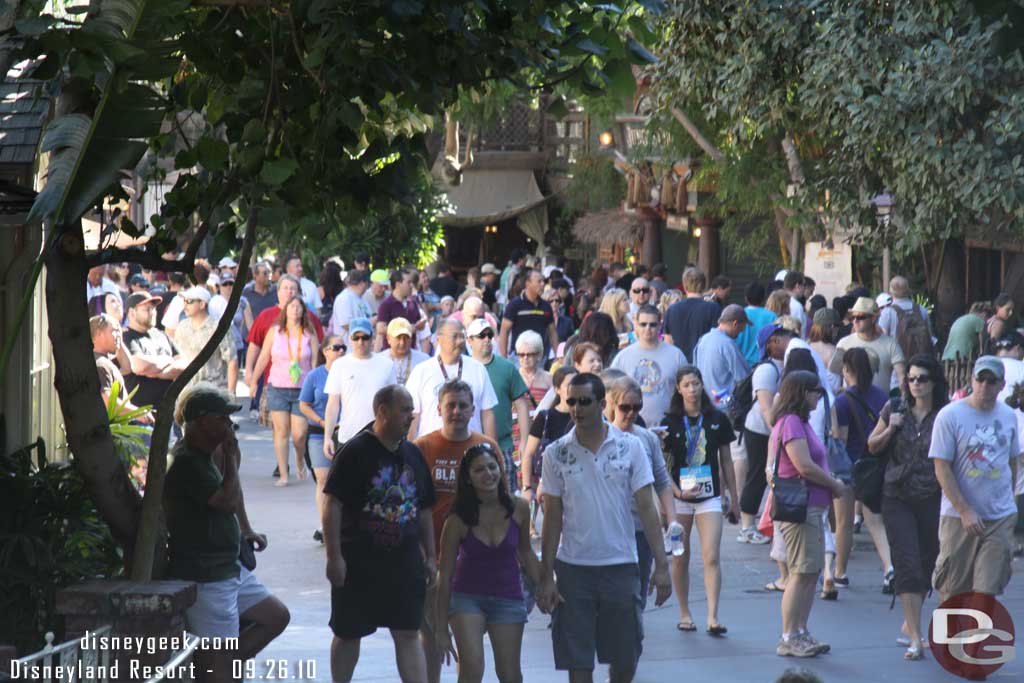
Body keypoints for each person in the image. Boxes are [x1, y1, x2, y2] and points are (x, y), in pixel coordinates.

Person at [536, 373, 671, 682]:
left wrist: (662, 565)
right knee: (578, 661)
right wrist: (546, 576)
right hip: (573, 569)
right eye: (571, 401)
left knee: (625, 658)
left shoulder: (631, 446)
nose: (576, 408)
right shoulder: (556, 453)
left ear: (601, 403)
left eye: (584, 401)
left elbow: (649, 509)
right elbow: (552, 519)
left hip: (621, 566)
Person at [164, 385, 289, 682]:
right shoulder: (187, 461)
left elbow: (233, 496)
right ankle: (216, 669)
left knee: (275, 616)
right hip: (208, 575)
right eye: (222, 419)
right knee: (221, 668)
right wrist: (231, 458)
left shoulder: (206, 456)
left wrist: (246, 530)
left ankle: (218, 666)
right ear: (201, 421)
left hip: (228, 566)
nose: (228, 425)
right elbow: (226, 499)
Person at [322, 385, 437, 683]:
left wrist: (431, 556)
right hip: (359, 563)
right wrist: (334, 557)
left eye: (412, 410)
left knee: (408, 633)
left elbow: (424, 509)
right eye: (404, 409)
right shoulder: (355, 451)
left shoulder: (413, 453)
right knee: (348, 633)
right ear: (382, 411)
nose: (410, 416)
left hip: (405, 564)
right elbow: (332, 504)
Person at [414, 380, 503, 683]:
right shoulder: (421, 448)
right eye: (450, 405)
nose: (456, 411)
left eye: (463, 405)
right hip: (431, 559)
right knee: (431, 640)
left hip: (474, 565)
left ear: (472, 409)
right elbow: (409, 507)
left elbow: (504, 504)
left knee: (469, 646)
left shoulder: (486, 447)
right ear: (438, 409)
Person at [434, 442, 541, 683]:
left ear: (501, 471)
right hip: (467, 598)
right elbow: (446, 575)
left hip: (508, 597)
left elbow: (526, 554)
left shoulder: (519, 508)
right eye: (479, 470)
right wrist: (441, 628)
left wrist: (546, 585)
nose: (488, 474)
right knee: (472, 669)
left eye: (492, 467)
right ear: (468, 478)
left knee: (510, 674)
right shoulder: (457, 519)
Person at [866, 354, 946, 661]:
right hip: (896, 495)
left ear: (933, 382)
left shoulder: (945, 414)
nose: (915, 384)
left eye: (922, 379)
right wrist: (890, 429)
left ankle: (910, 619)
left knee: (929, 563)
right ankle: (915, 637)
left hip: (933, 496)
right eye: (911, 379)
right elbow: (872, 445)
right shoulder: (895, 407)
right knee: (908, 563)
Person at [929, 356, 1020, 602]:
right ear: (972, 380)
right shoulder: (950, 416)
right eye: (980, 379)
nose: (985, 386)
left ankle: (974, 641)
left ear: (1002, 385)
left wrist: (1008, 502)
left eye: (991, 381)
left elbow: (1011, 462)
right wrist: (965, 510)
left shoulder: (1009, 416)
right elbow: (941, 467)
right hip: (958, 517)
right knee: (952, 590)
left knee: (986, 591)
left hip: (998, 517)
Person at [770, 371, 847, 658]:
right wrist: (834, 484)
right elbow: (803, 465)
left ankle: (801, 631)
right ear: (801, 392)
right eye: (816, 391)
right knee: (800, 572)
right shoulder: (790, 422)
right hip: (800, 508)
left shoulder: (799, 422)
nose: (819, 397)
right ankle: (789, 635)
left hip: (812, 505)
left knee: (809, 571)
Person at [660, 366, 738, 633]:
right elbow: (661, 465)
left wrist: (733, 499)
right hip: (679, 497)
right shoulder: (669, 422)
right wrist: (674, 494)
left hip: (709, 496)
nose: (692, 389)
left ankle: (713, 616)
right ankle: (684, 613)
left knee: (711, 556)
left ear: (702, 385)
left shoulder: (717, 418)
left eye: (696, 383)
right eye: (687, 385)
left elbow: (726, 460)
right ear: (678, 389)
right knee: (680, 556)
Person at [605, 377, 675, 602]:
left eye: (637, 407)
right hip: (609, 529)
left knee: (637, 596)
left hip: (641, 529)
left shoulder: (646, 438)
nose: (631, 413)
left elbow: (662, 482)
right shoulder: (601, 437)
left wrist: (672, 521)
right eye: (625, 407)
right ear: (612, 404)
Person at [834, 347, 893, 592]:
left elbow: (841, 439)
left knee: (843, 523)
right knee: (876, 521)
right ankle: (890, 567)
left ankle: (840, 572)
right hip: (876, 465)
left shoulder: (841, 401)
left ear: (847, 370)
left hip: (851, 467)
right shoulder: (882, 396)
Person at [251, 295, 320, 486]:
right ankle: (283, 473)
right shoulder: (275, 332)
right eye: (292, 307)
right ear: (285, 310)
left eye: (299, 307)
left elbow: (315, 362)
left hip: (302, 389)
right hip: (277, 387)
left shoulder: (309, 333)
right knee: (281, 432)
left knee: (299, 434)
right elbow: (264, 356)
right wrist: (254, 380)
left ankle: (299, 457)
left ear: (303, 311)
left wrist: (317, 387)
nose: (295, 310)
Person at [739, 323, 795, 543]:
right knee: (757, 476)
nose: (788, 339)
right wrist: (777, 435)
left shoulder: (782, 366)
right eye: (782, 336)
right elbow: (765, 407)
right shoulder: (766, 370)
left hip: (771, 430)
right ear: (772, 343)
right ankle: (746, 527)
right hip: (760, 430)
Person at [407, 319, 499, 441]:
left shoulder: (478, 369)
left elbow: (487, 413)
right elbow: (413, 416)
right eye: (455, 337)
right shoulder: (421, 371)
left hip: (471, 452)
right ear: (439, 339)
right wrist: (411, 453)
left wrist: (491, 448)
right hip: (431, 451)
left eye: (462, 336)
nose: (460, 341)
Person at [466, 318, 531, 491]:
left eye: (489, 335)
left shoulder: (507, 367)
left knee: (507, 500)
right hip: (468, 446)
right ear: (469, 340)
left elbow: (522, 405)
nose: (487, 339)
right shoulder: (463, 368)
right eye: (481, 336)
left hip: (503, 446)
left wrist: (524, 441)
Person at [322, 317, 397, 454]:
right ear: (350, 339)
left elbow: (393, 402)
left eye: (365, 337)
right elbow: (333, 405)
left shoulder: (386, 364)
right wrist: (327, 437)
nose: (360, 342)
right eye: (356, 337)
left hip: (379, 438)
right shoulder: (339, 365)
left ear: (372, 337)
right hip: (348, 437)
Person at [299, 333, 346, 542]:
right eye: (336, 348)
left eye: (344, 347)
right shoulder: (315, 375)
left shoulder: (349, 372)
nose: (341, 351)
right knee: (324, 480)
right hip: (319, 433)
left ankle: (343, 522)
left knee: (344, 480)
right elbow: (304, 404)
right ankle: (325, 524)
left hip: (345, 432)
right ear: (325, 351)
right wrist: (321, 422)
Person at [520, 367, 578, 536]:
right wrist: (527, 487)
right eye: (569, 385)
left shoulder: (584, 416)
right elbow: (529, 453)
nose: (573, 389)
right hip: (549, 487)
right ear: (557, 389)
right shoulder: (545, 417)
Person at [611, 304, 688, 429]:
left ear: (660, 325)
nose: (648, 328)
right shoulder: (623, 357)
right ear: (635, 324)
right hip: (631, 427)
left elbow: (687, 389)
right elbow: (611, 393)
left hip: (668, 426)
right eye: (643, 324)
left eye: (652, 324)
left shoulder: (676, 355)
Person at [123, 291, 187, 415]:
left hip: (168, 411)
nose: (153, 313)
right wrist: (169, 360)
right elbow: (139, 366)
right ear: (132, 312)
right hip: (140, 415)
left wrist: (157, 372)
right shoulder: (126, 336)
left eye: (154, 309)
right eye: (147, 309)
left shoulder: (161, 335)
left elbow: (184, 364)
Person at [830, 297, 906, 392]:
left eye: (860, 317)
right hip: (852, 403)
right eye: (853, 317)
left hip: (881, 404)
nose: (855, 321)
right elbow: (834, 375)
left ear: (873, 318)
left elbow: (902, 375)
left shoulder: (890, 344)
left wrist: (903, 398)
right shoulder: (844, 343)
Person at [173, 286, 239, 394]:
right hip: (186, 392)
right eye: (184, 301)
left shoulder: (218, 328)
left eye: (189, 301)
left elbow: (232, 361)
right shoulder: (181, 327)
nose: (185, 305)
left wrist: (231, 394)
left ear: (202, 304)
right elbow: (176, 358)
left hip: (213, 391)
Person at [91, 314, 152, 422]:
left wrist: (118, 340)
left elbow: (127, 367)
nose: (119, 335)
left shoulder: (105, 360)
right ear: (99, 334)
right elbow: (107, 401)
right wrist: (138, 412)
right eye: (114, 331)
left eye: (120, 331)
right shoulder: (99, 364)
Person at [499, 268, 559, 365]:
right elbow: (504, 331)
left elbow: (553, 333)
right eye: (539, 281)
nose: (543, 284)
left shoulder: (546, 306)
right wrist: (503, 358)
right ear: (528, 283)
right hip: (518, 359)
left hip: (539, 359)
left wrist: (558, 355)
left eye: (543, 281)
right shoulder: (515, 305)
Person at [693, 304, 750, 405]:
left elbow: (695, 370)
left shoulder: (703, 339)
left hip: (706, 403)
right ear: (735, 324)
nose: (740, 333)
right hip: (725, 406)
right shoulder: (728, 344)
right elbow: (744, 379)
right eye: (741, 329)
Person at [664, 267, 722, 361]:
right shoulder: (714, 308)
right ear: (704, 285)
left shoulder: (671, 310)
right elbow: (718, 340)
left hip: (679, 364)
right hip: (704, 363)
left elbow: (668, 342)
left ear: (684, 285)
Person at [377, 269, 428, 352]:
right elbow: (380, 328)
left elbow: (417, 325)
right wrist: (405, 328)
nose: (411, 285)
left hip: (410, 353)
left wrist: (420, 325)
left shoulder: (412, 303)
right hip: (392, 355)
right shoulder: (386, 305)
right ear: (398, 285)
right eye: (408, 282)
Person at [378, 317, 430, 386]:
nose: (402, 342)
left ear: (411, 338)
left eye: (406, 338)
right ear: (388, 339)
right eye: (398, 338)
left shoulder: (424, 361)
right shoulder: (378, 361)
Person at [735, 282, 776, 367]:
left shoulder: (738, 314)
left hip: (741, 364)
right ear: (764, 298)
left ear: (745, 298)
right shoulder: (772, 316)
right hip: (764, 365)